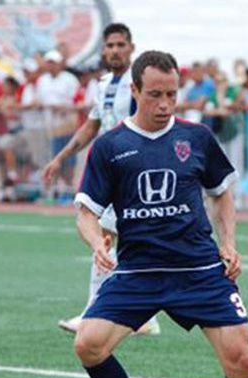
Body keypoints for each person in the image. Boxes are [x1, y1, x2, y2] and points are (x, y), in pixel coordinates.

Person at [73, 50, 248, 378]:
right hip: (139, 270)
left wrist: (229, 243)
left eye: (172, 94)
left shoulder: (197, 137)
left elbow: (221, 193)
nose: (165, 104)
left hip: (198, 268)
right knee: (88, 345)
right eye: (155, 94)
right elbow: (87, 212)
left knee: (241, 359)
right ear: (135, 90)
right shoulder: (110, 146)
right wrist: (97, 244)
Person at [43, 23, 160, 336]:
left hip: (134, 172)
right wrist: (60, 157)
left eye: (121, 45)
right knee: (116, 238)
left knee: (104, 235)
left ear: (131, 48)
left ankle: (96, 312)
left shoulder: (140, 84)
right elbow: (91, 126)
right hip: (111, 170)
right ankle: (142, 315)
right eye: (110, 45)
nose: (115, 50)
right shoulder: (105, 83)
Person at [37, 49, 79, 202]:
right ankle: (56, 190)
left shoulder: (70, 79)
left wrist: (64, 108)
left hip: (67, 124)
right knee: (54, 157)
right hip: (50, 127)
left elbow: (77, 100)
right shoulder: (42, 80)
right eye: (48, 62)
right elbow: (40, 100)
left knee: (69, 159)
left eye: (53, 62)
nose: (51, 66)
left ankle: (68, 188)